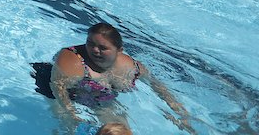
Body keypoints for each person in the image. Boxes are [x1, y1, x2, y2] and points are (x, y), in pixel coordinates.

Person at [51, 22, 193, 134]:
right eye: (90, 43)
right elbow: (58, 89)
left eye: (102, 47)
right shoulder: (72, 60)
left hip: (101, 98)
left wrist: (181, 113)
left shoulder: (130, 66)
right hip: (61, 94)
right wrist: (72, 115)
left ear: (119, 50)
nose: (94, 50)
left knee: (120, 131)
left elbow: (157, 85)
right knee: (68, 126)